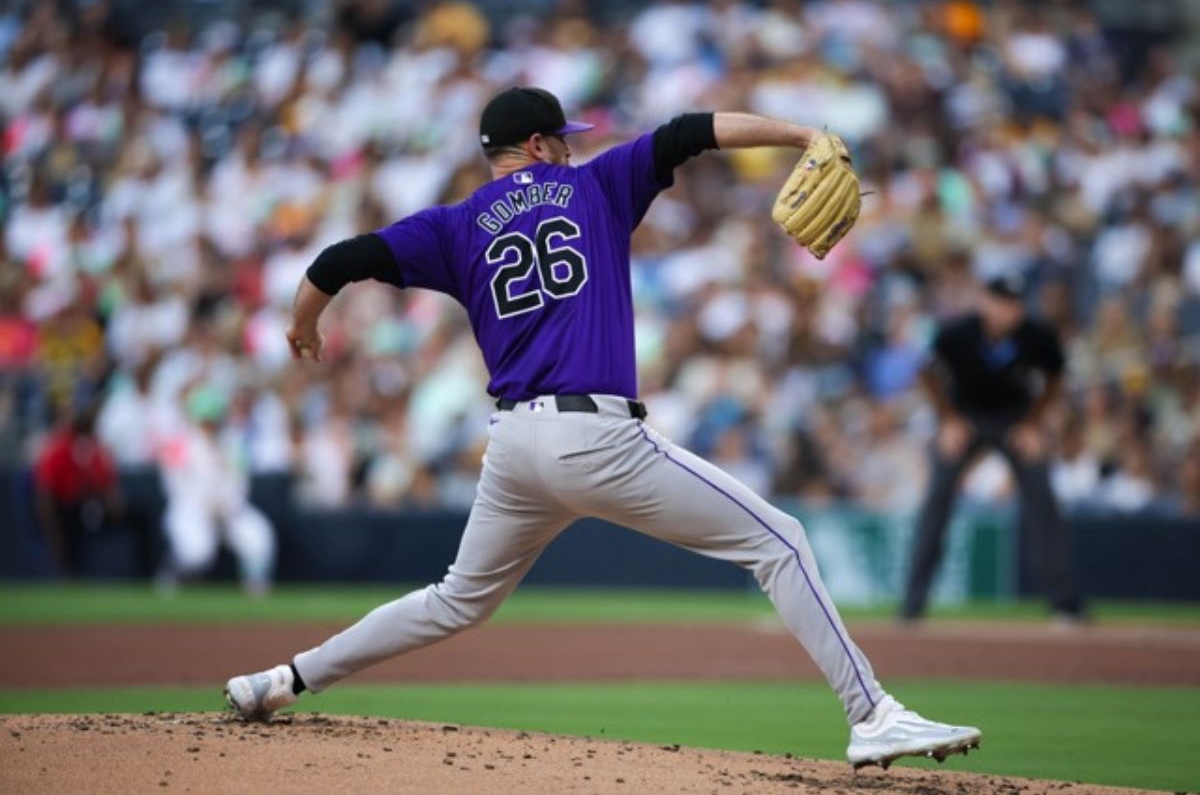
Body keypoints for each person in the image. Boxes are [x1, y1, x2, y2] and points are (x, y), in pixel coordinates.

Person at [225, 88, 980, 770]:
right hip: (596, 438)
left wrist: (303, 324)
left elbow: (340, 258)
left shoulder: (453, 227)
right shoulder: (594, 185)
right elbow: (692, 132)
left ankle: (283, 679)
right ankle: (872, 714)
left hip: (516, 447)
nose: (572, 147)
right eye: (563, 137)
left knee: (457, 599)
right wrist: (799, 133)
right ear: (539, 146)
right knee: (779, 539)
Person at [902, 273, 1085, 623]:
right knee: (936, 501)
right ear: (985, 302)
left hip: (1015, 420)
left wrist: (1033, 423)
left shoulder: (1035, 336)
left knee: (1043, 501)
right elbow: (926, 373)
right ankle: (913, 605)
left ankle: (1064, 605)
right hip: (966, 419)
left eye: (1015, 303)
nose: (1009, 311)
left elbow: (1056, 377)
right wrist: (948, 419)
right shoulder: (958, 333)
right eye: (1002, 302)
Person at [157, 385, 276, 596]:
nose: (210, 426)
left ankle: (256, 591)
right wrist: (205, 504)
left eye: (213, 420)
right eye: (205, 420)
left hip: (228, 511)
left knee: (259, 537)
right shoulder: (180, 444)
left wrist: (226, 504)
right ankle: (171, 575)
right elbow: (174, 486)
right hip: (192, 510)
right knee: (196, 553)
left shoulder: (234, 443)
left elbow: (240, 484)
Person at [33, 404, 122, 576]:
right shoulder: (59, 449)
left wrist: (113, 504)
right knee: (70, 529)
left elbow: (106, 483)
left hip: (90, 504)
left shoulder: (97, 449)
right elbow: (44, 491)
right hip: (64, 506)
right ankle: (68, 572)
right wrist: (51, 524)